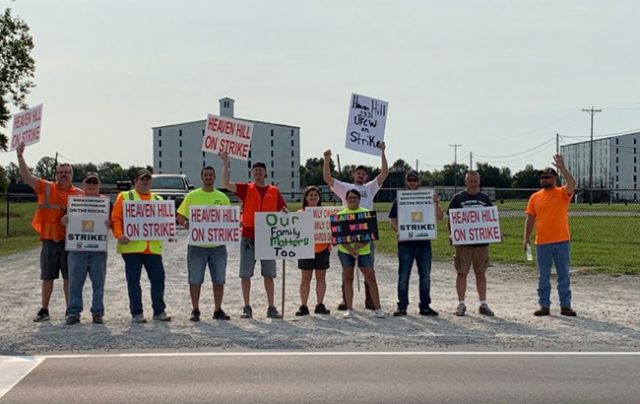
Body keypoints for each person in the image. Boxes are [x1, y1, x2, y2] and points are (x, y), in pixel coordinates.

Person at [16, 143, 83, 322]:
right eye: (60, 172)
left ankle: (71, 310)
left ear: (71, 175)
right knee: (47, 277)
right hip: (49, 240)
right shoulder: (46, 187)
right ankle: (44, 309)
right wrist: (20, 156)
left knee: (69, 278)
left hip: (70, 243)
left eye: (66, 172)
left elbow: (91, 217)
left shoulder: (80, 195)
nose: (63, 175)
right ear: (55, 175)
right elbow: (26, 176)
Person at [219, 152, 287, 319]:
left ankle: (271, 307)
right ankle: (246, 306)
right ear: (252, 173)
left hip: (268, 238)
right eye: (255, 170)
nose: (257, 173)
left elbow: (283, 210)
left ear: (265, 173)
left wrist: (289, 217)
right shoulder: (245, 189)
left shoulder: (274, 191)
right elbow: (225, 183)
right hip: (248, 236)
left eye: (260, 170)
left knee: (269, 274)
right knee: (246, 274)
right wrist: (226, 162)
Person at [323, 142, 388, 310]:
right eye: (358, 173)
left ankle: (370, 300)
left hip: (366, 234)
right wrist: (326, 159)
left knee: (368, 268)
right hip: (347, 232)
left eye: (363, 173)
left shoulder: (370, 187)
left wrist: (382, 152)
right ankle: (346, 300)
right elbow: (328, 179)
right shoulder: (345, 187)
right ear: (353, 174)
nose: (360, 175)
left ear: (366, 176)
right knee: (347, 270)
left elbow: (384, 173)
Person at [111, 169, 171, 323]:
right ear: (135, 181)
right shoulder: (125, 196)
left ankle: (159, 311)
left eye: (148, 180)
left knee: (159, 279)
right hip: (131, 248)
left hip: (153, 249)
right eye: (142, 179)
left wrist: (169, 232)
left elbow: (165, 221)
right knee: (133, 281)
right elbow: (116, 218)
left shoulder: (158, 199)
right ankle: (136, 312)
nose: (145, 182)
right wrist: (119, 235)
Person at [524, 154, 577, 317]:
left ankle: (565, 305)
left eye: (547, 177)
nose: (544, 180)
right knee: (543, 276)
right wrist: (525, 239)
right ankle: (544, 305)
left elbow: (572, 184)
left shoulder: (562, 193)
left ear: (554, 178)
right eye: (541, 177)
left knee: (563, 275)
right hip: (542, 243)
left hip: (561, 241)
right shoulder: (535, 197)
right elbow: (530, 218)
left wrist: (562, 168)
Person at [177, 166, 232, 322]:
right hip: (197, 246)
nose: (208, 177)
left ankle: (217, 309)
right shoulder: (192, 196)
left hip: (218, 246)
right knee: (195, 279)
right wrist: (186, 223)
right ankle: (195, 309)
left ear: (214, 177)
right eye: (206, 175)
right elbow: (180, 215)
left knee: (219, 279)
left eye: (210, 175)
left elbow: (229, 219)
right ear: (202, 177)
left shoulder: (222, 197)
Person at [389, 170, 444, 317]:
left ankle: (425, 306)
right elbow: (392, 221)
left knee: (425, 277)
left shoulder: (427, 198)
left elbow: (440, 217)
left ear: (419, 182)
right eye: (410, 180)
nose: (412, 183)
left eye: (415, 180)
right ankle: (402, 306)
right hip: (406, 244)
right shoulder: (399, 200)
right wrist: (398, 230)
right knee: (403, 276)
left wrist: (436, 204)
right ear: (406, 182)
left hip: (424, 243)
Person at [62, 172, 109, 325]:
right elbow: (63, 222)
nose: (91, 187)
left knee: (98, 282)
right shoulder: (74, 202)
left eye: (95, 184)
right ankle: (73, 313)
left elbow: (115, 222)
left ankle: (97, 313)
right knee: (75, 282)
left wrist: (110, 224)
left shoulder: (106, 203)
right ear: (84, 186)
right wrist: (64, 220)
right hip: (77, 248)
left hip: (98, 249)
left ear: (98, 187)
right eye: (89, 184)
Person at [447, 171, 495, 317]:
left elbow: (490, 218)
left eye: (475, 180)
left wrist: (494, 231)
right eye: (470, 180)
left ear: (479, 182)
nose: (473, 183)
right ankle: (461, 304)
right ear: (465, 182)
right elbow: (451, 218)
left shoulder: (484, 198)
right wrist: (452, 233)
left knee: (481, 273)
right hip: (463, 243)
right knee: (462, 273)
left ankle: (483, 303)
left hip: (481, 243)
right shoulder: (458, 198)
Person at [337, 189, 385, 319]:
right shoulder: (341, 215)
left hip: (364, 251)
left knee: (371, 278)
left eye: (355, 197)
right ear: (346, 200)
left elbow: (371, 234)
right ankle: (349, 308)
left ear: (359, 199)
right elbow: (339, 236)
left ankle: (378, 308)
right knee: (348, 278)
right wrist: (350, 249)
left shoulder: (366, 213)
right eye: (350, 198)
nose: (352, 200)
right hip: (345, 251)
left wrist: (362, 244)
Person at [295, 186, 331, 316]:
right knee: (305, 279)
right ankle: (303, 305)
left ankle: (320, 304)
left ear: (319, 198)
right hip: (305, 249)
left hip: (322, 248)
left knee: (321, 278)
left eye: (316, 195)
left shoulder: (325, 213)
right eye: (310, 195)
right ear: (305, 198)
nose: (313, 197)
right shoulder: (300, 213)